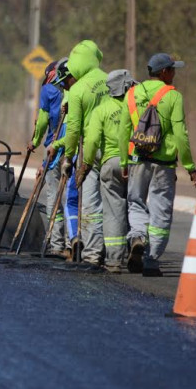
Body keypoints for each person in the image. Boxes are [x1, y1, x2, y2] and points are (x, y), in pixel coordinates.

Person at [118, 53, 196, 277]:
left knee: (135, 203)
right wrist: (190, 166)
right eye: (172, 69)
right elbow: (181, 135)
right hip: (163, 164)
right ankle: (152, 261)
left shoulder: (131, 94)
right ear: (163, 72)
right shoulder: (173, 96)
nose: (174, 74)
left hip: (137, 160)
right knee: (160, 211)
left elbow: (123, 130)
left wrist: (124, 160)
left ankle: (137, 237)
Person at [47, 40, 108, 265]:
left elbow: (73, 130)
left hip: (89, 151)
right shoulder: (110, 81)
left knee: (90, 204)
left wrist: (68, 158)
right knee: (115, 203)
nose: (65, 86)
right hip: (115, 149)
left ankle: (93, 254)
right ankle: (116, 252)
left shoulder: (78, 91)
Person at [82, 69, 137, 273]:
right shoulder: (136, 107)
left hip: (111, 163)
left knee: (114, 211)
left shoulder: (101, 111)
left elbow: (92, 141)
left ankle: (114, 260)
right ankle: (139, 244)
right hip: (138, 162)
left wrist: (86, 165)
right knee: (136, 206)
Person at [29, 58, 68, 257]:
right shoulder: (73, 88)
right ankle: (74, 241)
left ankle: (56, 242)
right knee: (73, 196)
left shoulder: (48, 90)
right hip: (75, 146)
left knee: (54, 194)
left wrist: (34, 142)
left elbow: (43, 120)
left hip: (55, 146)